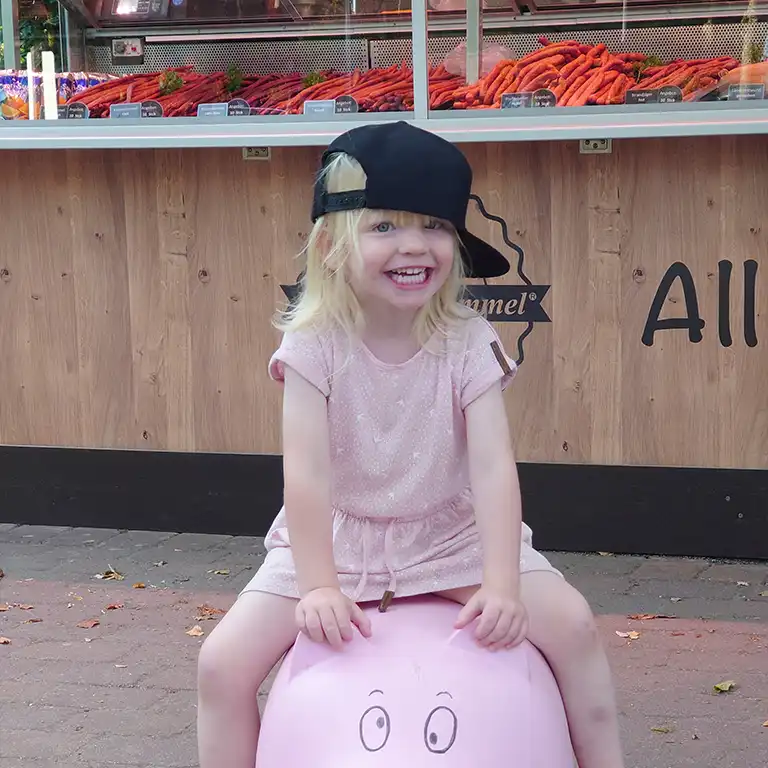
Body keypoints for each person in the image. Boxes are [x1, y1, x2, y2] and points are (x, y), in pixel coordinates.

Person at [197, 121, 626, 768]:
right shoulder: (314, 346)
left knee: (572, 628)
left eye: (434, 227)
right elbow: (307, 476)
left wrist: (503, 584)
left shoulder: (467, 339)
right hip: (338, 542)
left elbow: (492, 469)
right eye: (384, 227)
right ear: (331, 247)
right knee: (220, 665)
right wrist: (317, 586)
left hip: (452, 538)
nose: (414, 246)